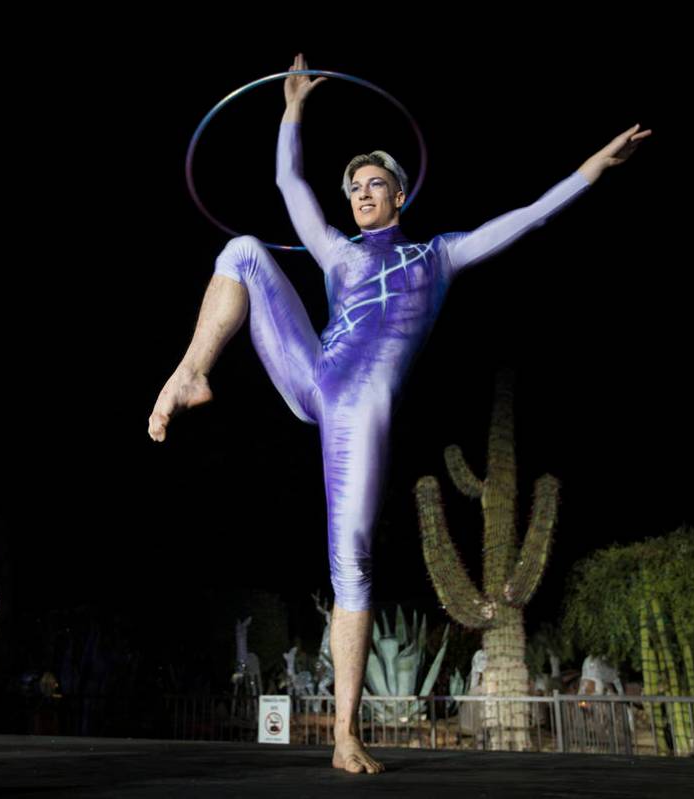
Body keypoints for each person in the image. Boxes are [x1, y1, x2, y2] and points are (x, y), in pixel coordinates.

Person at [148, 53, 651, 774]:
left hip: (360, 411)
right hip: (314, 374)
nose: (358, 193)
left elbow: (528, 217)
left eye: (372, 184)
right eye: (352, 186)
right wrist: (292, 109)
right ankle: (191, 372)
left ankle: (346, 733)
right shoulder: (336, 256)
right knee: (243, 251)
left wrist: (594, 168)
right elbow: (289, 182)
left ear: (399, 195)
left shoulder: (436, 257)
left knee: (348, 560)